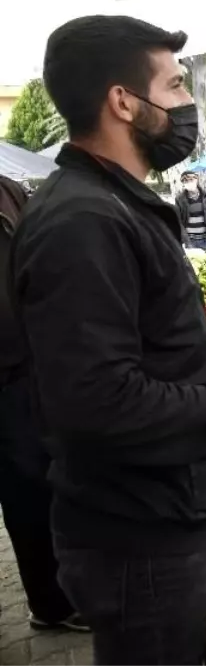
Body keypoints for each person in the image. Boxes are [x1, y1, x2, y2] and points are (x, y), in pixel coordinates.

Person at [10, 15, 206, 666]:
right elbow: (100, 400)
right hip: (135, 538)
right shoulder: (83, 223)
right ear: (124, 102)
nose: (186, 105)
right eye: (175, 86)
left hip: (160, 516)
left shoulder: (117, 203)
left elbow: (189, 340)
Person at [0, 174, 84, 634]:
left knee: (42, 489)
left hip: (29, 370)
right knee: (27, 491)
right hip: (8, 375)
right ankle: (52, 603)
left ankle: (58, 598)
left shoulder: (8, 190)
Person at [174, 170, 206, 251]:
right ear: (183, 183)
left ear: (196, 180)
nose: (189, 182)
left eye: (191, 180)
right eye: (185, 181)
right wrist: (183, 237)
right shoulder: (179, 199)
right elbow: (178, 220)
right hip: (190, 241)